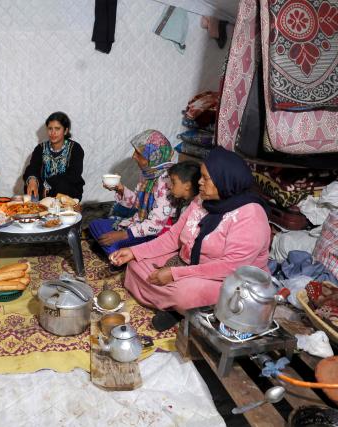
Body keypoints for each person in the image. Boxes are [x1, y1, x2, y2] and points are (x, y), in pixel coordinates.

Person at [109, 147, 270, 331]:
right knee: (136, 265)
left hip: (229, 281)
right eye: (201, 176)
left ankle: (180, 309)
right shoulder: (201, 200)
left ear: (224, 181)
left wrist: (175, 274)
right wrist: (134, 252)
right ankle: (180, 310)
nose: (199, 182)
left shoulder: (250, 215)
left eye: (206, 178)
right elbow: (172, 238)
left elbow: (231, 267)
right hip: (190, 265)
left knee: (182, 293)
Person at [88, 130, 174, 255]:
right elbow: (137, 204)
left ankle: (122, 254)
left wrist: (123, 235)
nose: (134, 156)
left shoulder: (168, 182)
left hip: (156, 233)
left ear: (153, 157)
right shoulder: (147, 174)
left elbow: (156, 225)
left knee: (110, 240)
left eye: (139, 154)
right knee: (95, 224)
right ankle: (121, 251)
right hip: (139, 222)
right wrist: (120, 189)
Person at [23, 112, 85, 201]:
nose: (53, 133)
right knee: (30, 184)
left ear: (66, 131)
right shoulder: (40, 148)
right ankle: (35, 210)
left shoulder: (75, 149)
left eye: (57, 129)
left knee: (63, 184)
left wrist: (49, 183)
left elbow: (74, 175)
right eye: (50, 129)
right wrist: (32, 180)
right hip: (43, 192)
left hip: (67, 191)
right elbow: (33, 167)